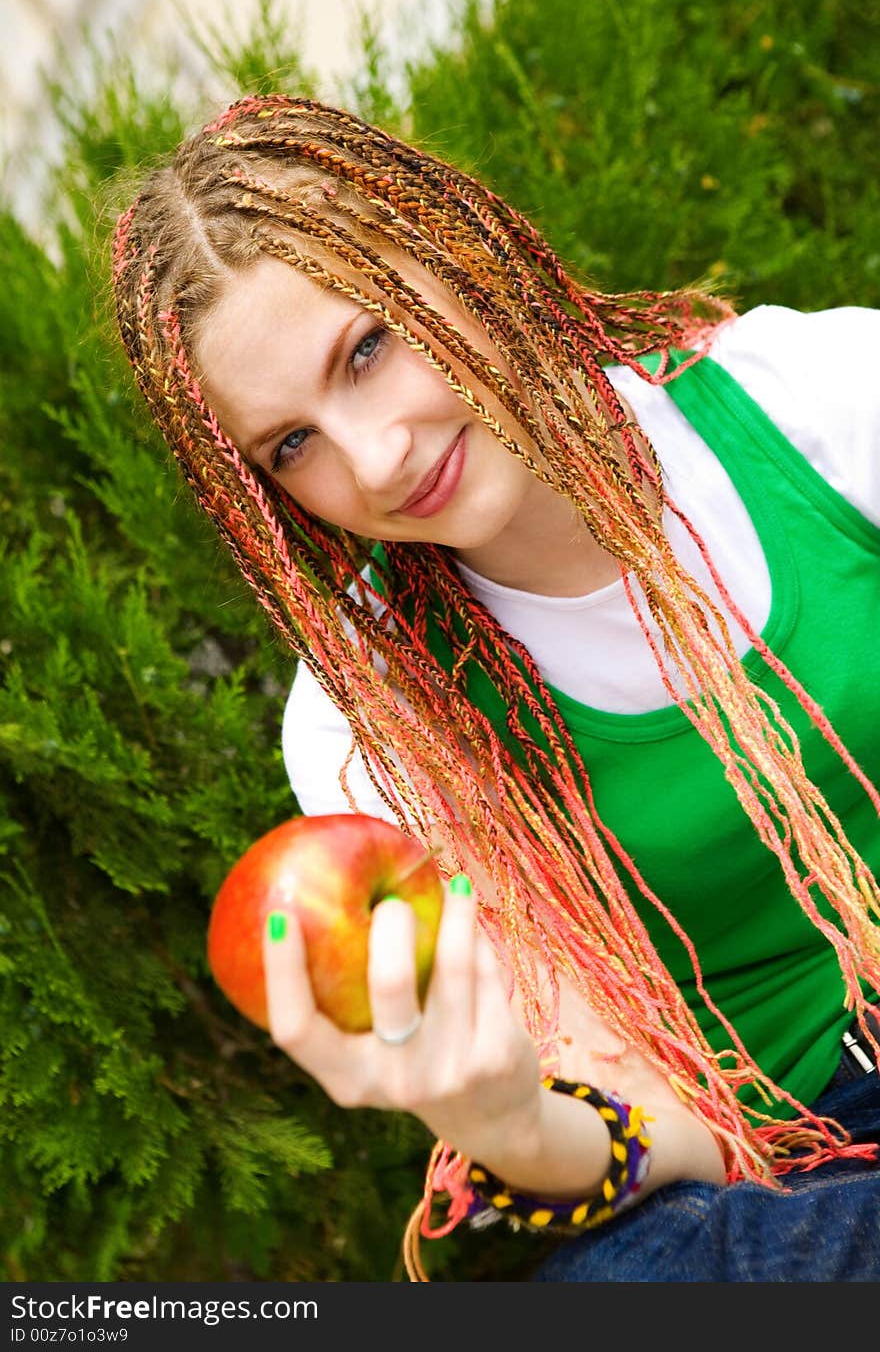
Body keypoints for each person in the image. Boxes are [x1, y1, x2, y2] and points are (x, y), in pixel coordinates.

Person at [111, 93, 880, 1281]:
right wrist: (510, 1125)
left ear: (449, 247)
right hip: (788, 1166)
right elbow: (665, 1134)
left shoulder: (807, 399)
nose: (373, 459)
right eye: (293, 446)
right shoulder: (369, 720)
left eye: (365, 350)